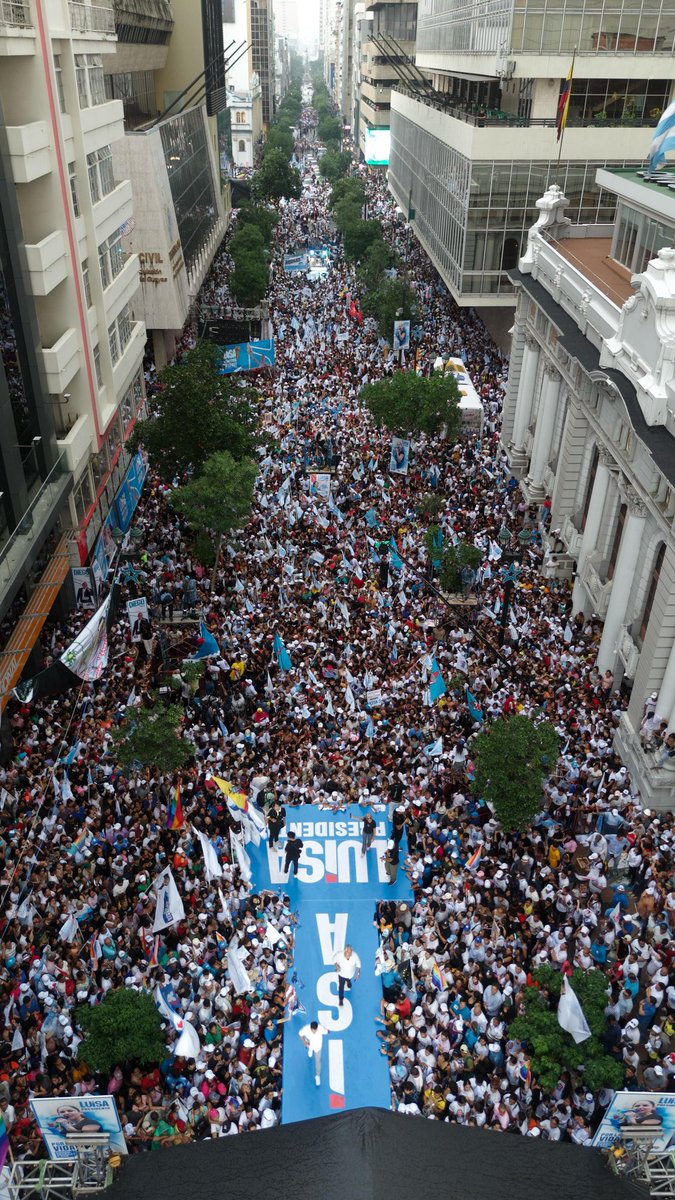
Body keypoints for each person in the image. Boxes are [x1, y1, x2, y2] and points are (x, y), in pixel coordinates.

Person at [299, 1020, 328, 1086]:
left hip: (318, 1047)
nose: (314, 1031)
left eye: (316, 1030)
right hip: (309, 1044)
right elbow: (300, 1034)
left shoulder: (320, 1028)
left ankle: (317, 1076)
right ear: (310, 1028)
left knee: (318, 1061)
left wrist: (327, 1028)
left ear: (317, 1028)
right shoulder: (305, 1029)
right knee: (310, 1048)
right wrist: (304, 1042)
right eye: (313, 1030)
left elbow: (327, 1031)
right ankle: (310, 1050)